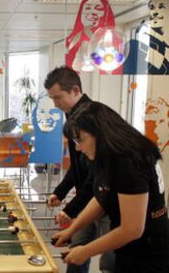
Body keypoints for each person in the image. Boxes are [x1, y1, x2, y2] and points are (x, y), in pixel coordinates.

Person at [52, 101, 169, 272]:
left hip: (148, 254)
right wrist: (72, 230)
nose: (77, 148)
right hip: (129, 250)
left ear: (99, 133)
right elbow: (101, 198)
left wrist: (85, 251)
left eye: (80, 140)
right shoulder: (108, 156)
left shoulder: (129, 161)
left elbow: (132, 229)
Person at [44, 66, 114, 273]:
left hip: (108, 201)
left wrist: (71, 209)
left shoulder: (93, 118)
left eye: (58, 98)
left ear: (75, 90)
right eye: (52, 99)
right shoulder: (72, 116)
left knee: (111, 262)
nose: (56, 105)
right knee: (76, 253)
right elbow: (79, 166)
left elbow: (97, 175)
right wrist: (61, 191)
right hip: (90, 197)